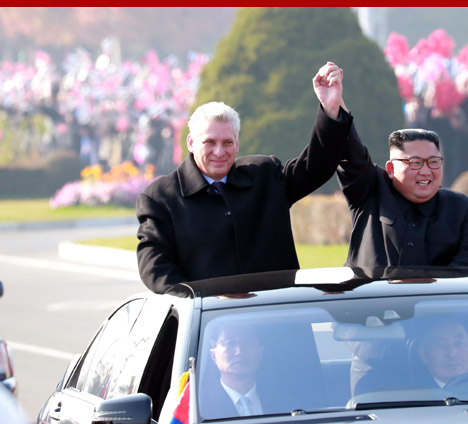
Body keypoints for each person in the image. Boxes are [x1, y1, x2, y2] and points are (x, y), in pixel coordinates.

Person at [136, 62, 352, 293]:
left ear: (237, 144)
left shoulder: (265, 175)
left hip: (278, 316)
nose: (219, 152)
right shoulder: (161, 198)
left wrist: (331, 109)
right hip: (210, 324)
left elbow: (316, 166)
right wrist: (193, 301)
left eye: (227, 142)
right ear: (191, 143)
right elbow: (155, 267)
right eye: (209, 142)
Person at [336, 121, 468, 269]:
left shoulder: (458, 207)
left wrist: (438, 285)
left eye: (433, 162)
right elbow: (351, 154)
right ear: (390, 168)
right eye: (415, 163)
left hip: (435, 296)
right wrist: (334, 108)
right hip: (373, 296)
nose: (425, 171)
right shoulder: (370, 191)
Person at [208, 324, 268, 417]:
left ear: (260, 352)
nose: (239, 351)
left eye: (247, 343)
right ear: (214, 355)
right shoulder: (199, 407)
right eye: (230, 343)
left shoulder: (284, 403)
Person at [416, 319, 468, 388]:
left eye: (459, 343)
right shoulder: (412, 394)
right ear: (423, 355)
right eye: (441, 346)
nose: (452, 354)